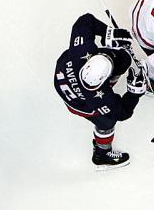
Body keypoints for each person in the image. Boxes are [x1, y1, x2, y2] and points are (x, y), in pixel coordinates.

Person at [54, 13, 146, 170]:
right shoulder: (101, 101)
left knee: (122, 58)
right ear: (102, 83)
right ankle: (101, 154)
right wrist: (134, 92)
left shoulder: (81, 51)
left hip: (66, 77)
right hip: (80, 104)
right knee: (106, 121)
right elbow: (122, 113)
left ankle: (113, 65)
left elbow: (84, 20)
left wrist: (109, 33)